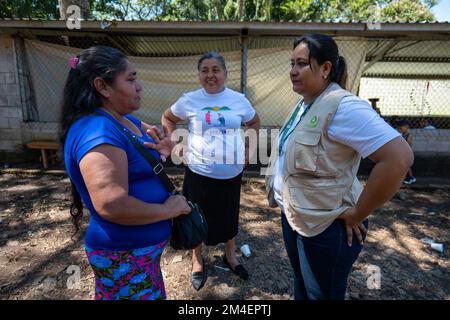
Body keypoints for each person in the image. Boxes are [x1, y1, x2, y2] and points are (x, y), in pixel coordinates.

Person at [265, 34, 414, 300]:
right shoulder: (306, 103)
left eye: (301, 64)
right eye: (292, 64)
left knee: (322, 294)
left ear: (325, 69)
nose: (293, 71)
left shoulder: (343, 106)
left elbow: (399, 158)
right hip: (297, 217)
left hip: (326, 227)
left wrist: (358, 212)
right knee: (303, 286)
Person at [60, 46, 191, 300]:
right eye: (130, 79)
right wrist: (169, 209)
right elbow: (112, 205)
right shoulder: (98, 132)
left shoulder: (117, 119)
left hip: (136, 257)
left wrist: (164, 148)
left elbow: (139, 142)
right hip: (125, 256)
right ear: (103, 87)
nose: (139, 86)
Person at [154, 52, 260, 291]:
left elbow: (254, 123)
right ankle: (197, 261)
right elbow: (167, 118)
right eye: (204, 70)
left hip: (231, 172)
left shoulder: (239, 100)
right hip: (198, 171)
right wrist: (177, 146)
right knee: (195, 215)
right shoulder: (190, 100)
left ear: (225, 73)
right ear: (199, 74)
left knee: (229, 215)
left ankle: (230, 256)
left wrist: (248, 151)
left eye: (215, 70)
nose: (210, 75)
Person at [396, 120, 416, 184]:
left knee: (406, 166)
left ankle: (409, 178)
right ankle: (410, 178)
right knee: (406, 166)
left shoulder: (409, 136)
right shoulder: (401, 135)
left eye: (401, 128)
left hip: (406, 153)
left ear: (406, 127)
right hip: (402, 153)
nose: (399, 130)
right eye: (399, 128)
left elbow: (408, 146)